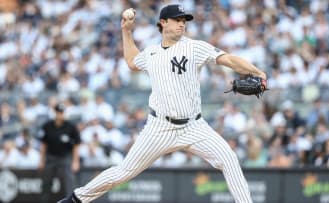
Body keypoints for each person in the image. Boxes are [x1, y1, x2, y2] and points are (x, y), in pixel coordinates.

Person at [58, 4, 266, 203]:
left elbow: (227, 59)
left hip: (194, 126)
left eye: (184, 20)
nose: (182, 24)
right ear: (163, 23)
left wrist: (256, 71)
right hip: (159, 127)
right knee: (123, 172)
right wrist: (127, 31)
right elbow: (132, 62)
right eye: (177, 20)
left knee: (229, 159)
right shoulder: (151, 54)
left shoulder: (194, 48)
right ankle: (77, 199)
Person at [39, 103, 81, 203]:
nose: (60, 115)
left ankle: (70, 201)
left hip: (65, 157)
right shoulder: (47, 126)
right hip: (51, 157)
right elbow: (44, 145)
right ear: (55, 113)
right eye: (58, 112)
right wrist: (41, 160)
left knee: (69, 181)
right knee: (46, 181)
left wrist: (76, 161)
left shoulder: (71, 126)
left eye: (61, 112)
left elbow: (76, 144)